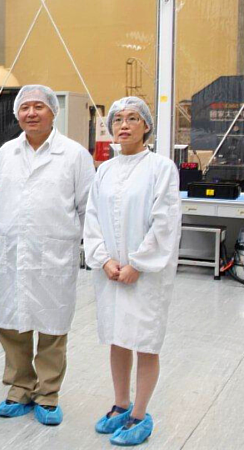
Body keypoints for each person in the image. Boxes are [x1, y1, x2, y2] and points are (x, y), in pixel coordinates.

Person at [0, 84, 95, 425]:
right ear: (17, 113)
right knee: (13, 325)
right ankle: (19, 388)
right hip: (12, 254)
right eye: (25, 107)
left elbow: (87, 208)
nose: (31, 113)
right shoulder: (6, 152)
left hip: (54, 255)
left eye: (39, 107)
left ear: (53, 112)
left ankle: (48, 394)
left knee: (52, 329)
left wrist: (82, 248)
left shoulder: (75, 155)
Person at [83, 97, 181, 446]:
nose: (124, 125)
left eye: (133, 118)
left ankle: (140, 414)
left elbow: (165, 221)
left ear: (147, 126)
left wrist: (137, 264)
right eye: (118, 119)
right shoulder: (105, 170)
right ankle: (120, 405)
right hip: (109, 273)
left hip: (146, 276)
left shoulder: (161, 168)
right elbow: (92, 218)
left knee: (145, 342)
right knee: (117, 337)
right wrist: (104, 259)